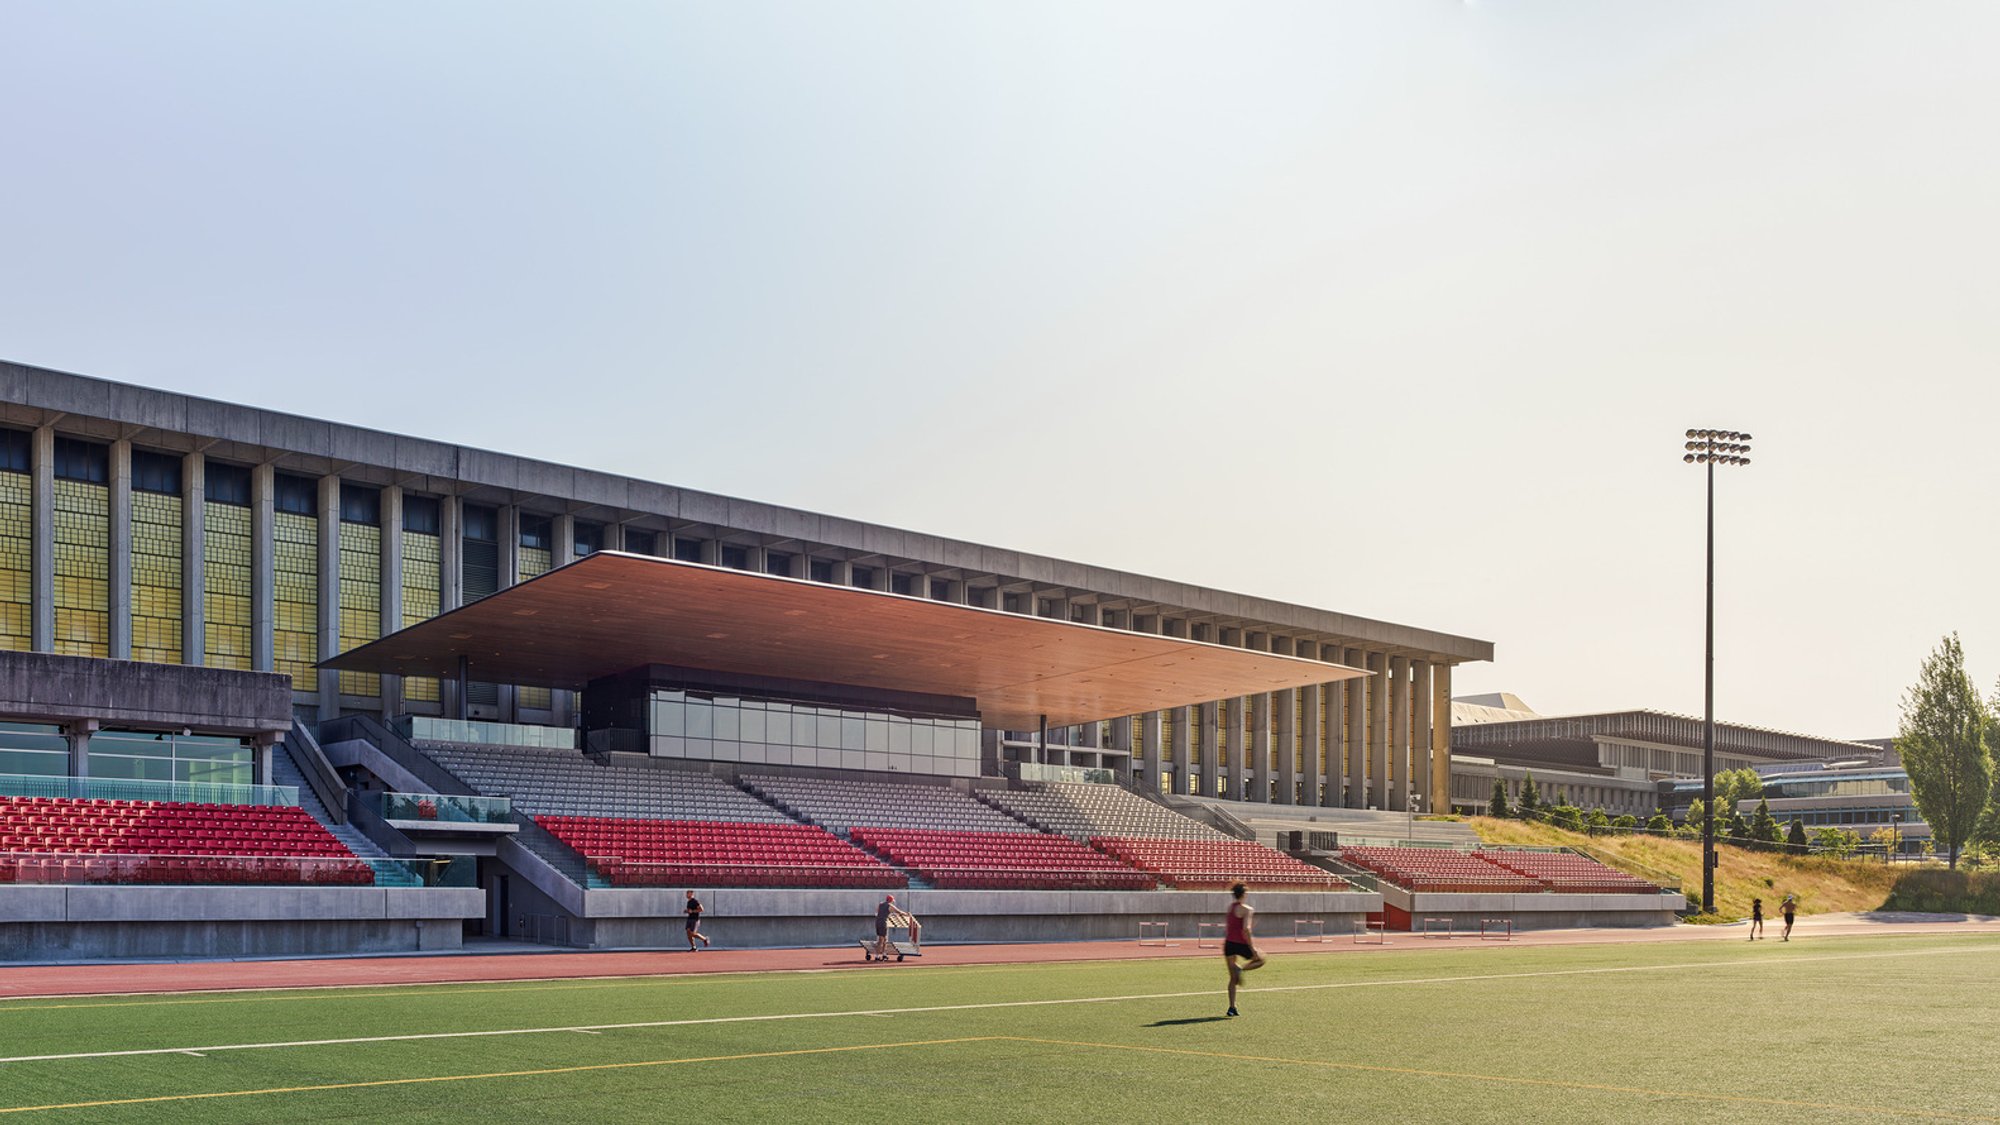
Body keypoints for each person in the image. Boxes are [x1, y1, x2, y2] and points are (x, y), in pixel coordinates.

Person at [1223, 883, 1266, 1017]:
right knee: (1261, 959)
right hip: (1240, 944)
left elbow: (1232, 925)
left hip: (1229, 944)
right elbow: (1246, 929)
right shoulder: (1247, 909)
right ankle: (1241, 969)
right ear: (1244, 894)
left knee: (1232, 978)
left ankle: (1232, 1007)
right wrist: (1252, 948)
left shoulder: (1230, 908)